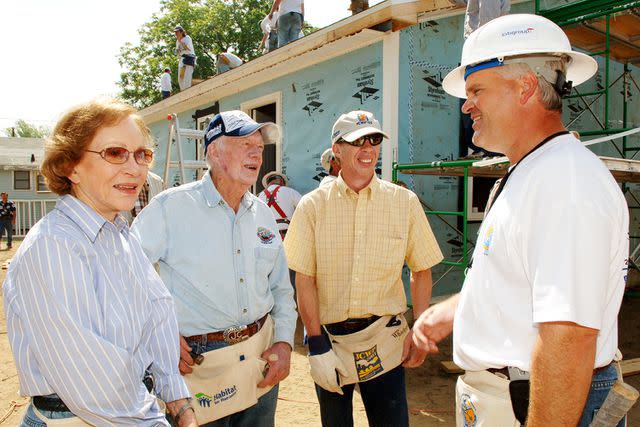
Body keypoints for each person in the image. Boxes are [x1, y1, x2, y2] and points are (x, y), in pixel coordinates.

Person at [413, 14, 628, 427]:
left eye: (476, 89)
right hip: (506, 400)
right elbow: (521, 279)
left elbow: (568, 338)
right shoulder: (533, 171)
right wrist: (456, 310)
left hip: (540, 403)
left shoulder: (565, 183)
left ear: (525, 86)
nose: (466, 104)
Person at [2, 98, 196, 426]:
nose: (135, 168)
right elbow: (98, 388)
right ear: (70, 166)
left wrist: (179, 402)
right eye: (115, 153)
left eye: (142, 155)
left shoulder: (120, 233)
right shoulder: (54, 246)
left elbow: (158, 313)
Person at [131, 110, 297, 427]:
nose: (256, 153)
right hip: (198, 366)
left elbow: (281, 288)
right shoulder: (170, 208)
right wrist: (153, 331)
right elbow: (124, 276)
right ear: (214, 152)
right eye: (244, 143)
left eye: (260, 147)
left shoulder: (263, 215)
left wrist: (285, 342)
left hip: (260, 361)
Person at [284, 110, 444, 427]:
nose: (368, 148)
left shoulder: (404, 202)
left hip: (386, 342)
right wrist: (315, 344)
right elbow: (305, 280)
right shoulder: (313, 206)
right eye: (357, 141)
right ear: (337, 149)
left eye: (374, 140)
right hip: (330, 343)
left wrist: (420, 327)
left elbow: (422, 270)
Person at [257, 171, 301, 240]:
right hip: (288, 235)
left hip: (267, 237)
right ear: (282, 182)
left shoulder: (258, 196)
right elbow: (305, 208)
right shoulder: (290, 191)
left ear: (268, 183)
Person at [174, 25, 196, 91]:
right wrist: (177, 50)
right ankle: (183, 92)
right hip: (182, 59)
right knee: (180, 78)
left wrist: (180, 41)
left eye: (177, 32)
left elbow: (188, 49)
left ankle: (187, 91)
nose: (176, 34)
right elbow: (178, 53)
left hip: (189, 58)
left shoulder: (187, 38)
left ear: (181, 32)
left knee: (187, 78)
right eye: (175, 33)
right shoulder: (177, 42)